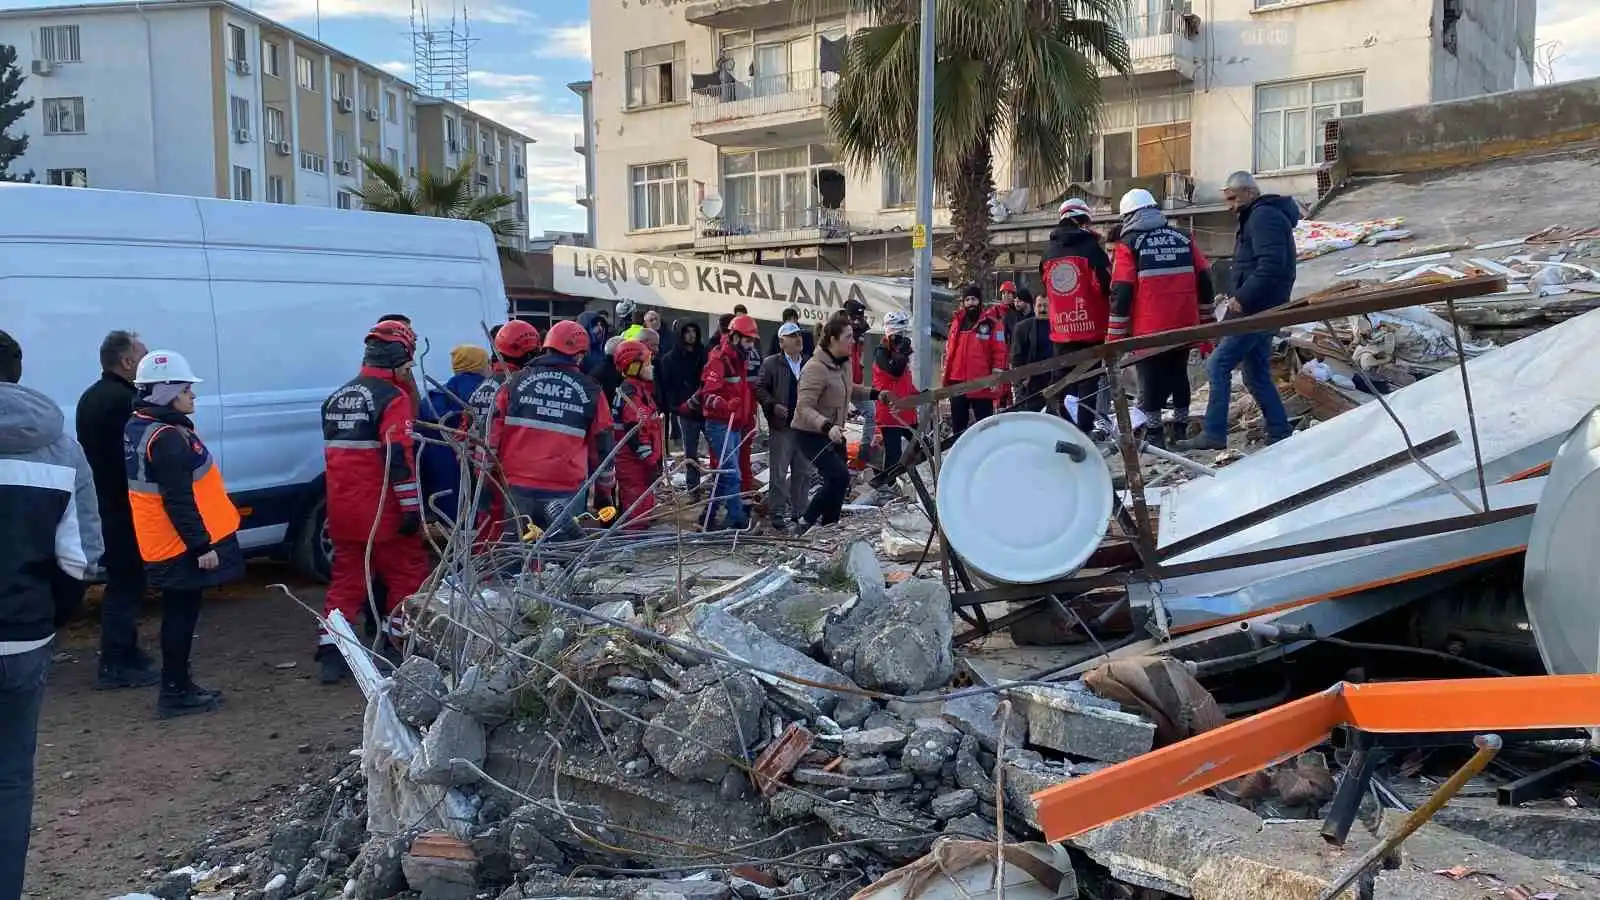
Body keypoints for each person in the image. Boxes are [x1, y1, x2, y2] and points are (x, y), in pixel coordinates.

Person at [1, 329, 101, 898]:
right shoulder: (59, 447)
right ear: (16, 372)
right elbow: (81, 556)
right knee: (10, 780)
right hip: (23, 640)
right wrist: (48, 620)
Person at [125, 349, 243, 716]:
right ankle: (175, 692)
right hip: (177, 544)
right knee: (180, 615)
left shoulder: (140, 426)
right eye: (185, 388)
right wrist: (201, 546)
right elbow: (178, 499)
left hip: (161, 540)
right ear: (164, 392)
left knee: (179, 613)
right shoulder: (167, 437)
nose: (192, 395)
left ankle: (178, 685)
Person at [318, 321, 429, 684]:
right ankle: (401, 644)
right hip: (383, 509)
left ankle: (333, 651)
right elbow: (399, 457)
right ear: (402, 361)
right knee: (407, 574)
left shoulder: (336, 397)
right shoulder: (392, 399)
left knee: (347, 581)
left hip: (341, 508)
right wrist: (412, 508)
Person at [1182, 172, 1298, 450]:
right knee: (1255, 372)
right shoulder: (1260, 216)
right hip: (1264, 307)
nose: (1231, 206)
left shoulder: (1262, 217)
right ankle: (1279, 430)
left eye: (1233, 198)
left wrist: (1243, 298)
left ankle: (1214, 433)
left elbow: (1271, 265)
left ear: (1249, 192)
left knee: (1218, 363)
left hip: (1257, 310)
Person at [75, 329, 160, 689]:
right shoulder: (125, 402)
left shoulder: (92, 396)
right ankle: (115, 661)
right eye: (143, 355)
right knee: (125, 583)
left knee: (126, 581)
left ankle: (127, 650)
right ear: (127, 362)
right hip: (123, 507)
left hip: (104, 503)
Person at [1108, 189, 1216, 449]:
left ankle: (1155, 434)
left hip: (1149, 328)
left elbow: (1121, 291)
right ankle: (1179, 429)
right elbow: (1204, 279)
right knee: (1178, 375)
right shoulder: (1183, 237)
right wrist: (1206, 321)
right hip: (1184, 323)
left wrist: (1114, 337)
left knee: (1150, 380)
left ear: (1129, 216)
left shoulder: (1129, 245)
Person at [493, 320, 616, 542]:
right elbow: (603, 447)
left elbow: (492, 435)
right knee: (560, 557)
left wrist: (485, 484)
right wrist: (604, 494)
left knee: (515, 553)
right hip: (565, 488)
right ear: (579, 355)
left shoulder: (514, 383)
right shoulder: (591, 391)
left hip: (517, 484)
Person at [793, 316, 879, 532]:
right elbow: (804, 408)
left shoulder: (844, 364)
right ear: (832, 340)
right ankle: (805, 522)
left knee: (841, 482)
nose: (853, 341)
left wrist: (878, 394)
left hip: (834, 432)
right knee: (837, 475)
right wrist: (826, 426)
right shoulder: (814, 368)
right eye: (848, 337)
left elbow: (851, 389)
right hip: (810, 433)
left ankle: (830, 527)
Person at [1041, 197, 1113, 434]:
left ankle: (1065, 430)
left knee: (1063, 383)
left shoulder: (1048, 252)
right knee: (1089, 382)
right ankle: (1083, 431)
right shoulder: (1092, 248)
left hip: (1061, 330)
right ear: (1080, 220)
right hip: (1091, 326)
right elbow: (1105, 284)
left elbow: (1046, 287)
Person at [417, 344, 491, 524]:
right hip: (475, 475)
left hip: (438, 486)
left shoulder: (432, 398)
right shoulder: (487, 393)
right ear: (480, 365)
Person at [698, 314, 759, 531]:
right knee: (732, 474)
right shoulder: (719, 359)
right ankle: (737, 520)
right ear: (735, 337)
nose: (751, 345)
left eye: (752, 341)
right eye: (748, 340)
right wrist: (726, 404)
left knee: (725, 476)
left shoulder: (738, 359)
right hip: (719, 424)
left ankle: (708, 518)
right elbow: (707, 396)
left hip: (734, 424)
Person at [755, 322, 813, 532]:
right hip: (782, 426)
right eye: (791, 336)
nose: (797, 339)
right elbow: (760, 388)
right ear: (782, 342)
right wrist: (772, 405)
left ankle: (800, 511)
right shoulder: (772, 364)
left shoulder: (809, 363)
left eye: (798, 334)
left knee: (803, 470)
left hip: (805, 426)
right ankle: (777, 511)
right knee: (779, 471)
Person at [942, 285, 1008, 436]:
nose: (970, 303)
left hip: (981, 382)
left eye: (973, 299)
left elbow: (1000, 351)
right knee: (958, 426)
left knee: (985, 426)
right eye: (967, 300)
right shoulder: (957, 323)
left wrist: (995, 376)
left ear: (980, 301)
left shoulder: (992, 324)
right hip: (957, 381)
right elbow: (950, 350)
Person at [609, 340, 662, 528]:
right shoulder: (631, 395)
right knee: (636, 510)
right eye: (647, 363)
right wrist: (650, 462)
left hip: (639, 463)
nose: (651, 367)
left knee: (643, 505)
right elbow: (636, 434)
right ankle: (631, 545)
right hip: (634, 464)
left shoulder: (639, 391)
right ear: (634, 366)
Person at [658, 319, 709, 490]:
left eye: (694, 331)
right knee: (690, 453)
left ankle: (720, 485)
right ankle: (692, 487)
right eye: (687, 331)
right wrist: (677, 406)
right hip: (687, 412)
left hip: (708, 409)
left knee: (717, 449)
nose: (691, 335)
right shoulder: (670, 359)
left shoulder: (704, 354)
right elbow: (668, 387)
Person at [871, 312, 917, 489]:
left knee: (920, 445)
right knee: (893, 452)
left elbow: (906, 381)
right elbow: (894, 372)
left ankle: (911, 480)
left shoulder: (901, 355)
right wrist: (902, 354)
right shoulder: (881, 352)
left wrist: (921, 394)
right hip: (891, 412)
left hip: (907, 410)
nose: (904, 339)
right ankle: (887, 485)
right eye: (901, 335)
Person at [1009, 289, 1057, 414]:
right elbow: (1017, 357)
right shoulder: (1023, 328)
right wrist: (1020, 381)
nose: (1042, 309)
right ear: (1034, 307)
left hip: (1055, 380)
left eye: (1046, 306)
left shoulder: (1059, 326)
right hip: (1031, 382)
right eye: (1039, 305)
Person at [841, 299, 876, 456]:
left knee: (871, 411)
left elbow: (859, 360)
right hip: (838, 386)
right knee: (836, 422)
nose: (858, 322)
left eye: (860, 318)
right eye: (855, 318)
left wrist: (859, 379)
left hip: (855, 383)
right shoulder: (839, 336)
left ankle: (865, 448)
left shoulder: (859, 335)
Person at [577, 310, 611, 377]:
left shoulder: (606, 349)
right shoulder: (577, 354)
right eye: (595, 325)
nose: (600, 328)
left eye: (601, 324)